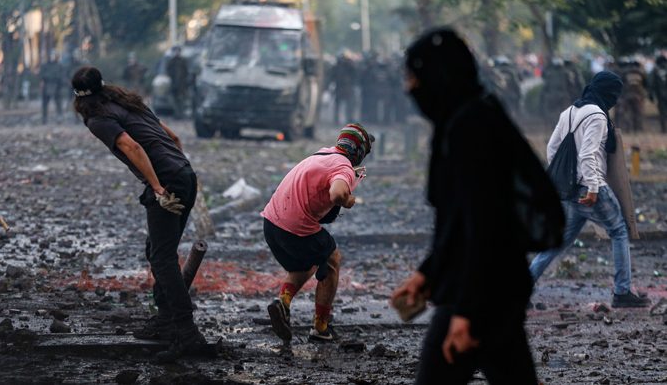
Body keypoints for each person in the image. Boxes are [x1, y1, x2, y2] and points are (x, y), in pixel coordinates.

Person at [392, 28, 539, 384]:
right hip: (491, 286)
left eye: (416, 77)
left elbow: (484, 225)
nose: (409, 88)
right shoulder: (464, 119)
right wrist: (428, 272)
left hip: (480, 292)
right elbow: (458, 218)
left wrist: (466, 312)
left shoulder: (470, 128)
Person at [71, 66, 205, 358]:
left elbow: (130, 146)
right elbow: (174, 139)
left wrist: (158, 188)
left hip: (167, 181)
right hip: (182, 174)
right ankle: (166, 319)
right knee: (157, 250)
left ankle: (187, 333)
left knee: (162, 257)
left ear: (78, 99)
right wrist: (181, 174)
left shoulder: (98, 119)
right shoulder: (128, 102)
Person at [529, 71, 651, 308]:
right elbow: (588, 153)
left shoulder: (570, 111)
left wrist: (568, 179)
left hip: (572, 189)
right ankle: (622, 292)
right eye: (614, 94)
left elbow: (552, 148)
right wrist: (592, 187)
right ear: (609, 93)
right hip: (591, 188)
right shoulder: (596, 115)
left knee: (559, 241)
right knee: (619, 229)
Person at [263, 123, 373, 342]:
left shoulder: (321, 155)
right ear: (359, 152)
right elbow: (337, 194)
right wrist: (348, 200)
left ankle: (283, 303)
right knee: (332, 259)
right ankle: (320, 328)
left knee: (307, 263)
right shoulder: (343, 167)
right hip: (295, 228)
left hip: (271, 224)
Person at [615, 60, 647, 132]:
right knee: (638, 112)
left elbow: (621, 84)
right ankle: (638, 128)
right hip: (638, 95)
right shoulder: (641, 73)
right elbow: (645, 84)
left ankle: (628, 128)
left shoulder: (625, 73)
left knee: (627, 112)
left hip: (627, 95)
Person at [40, 50, 66, 124]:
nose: (52, 57)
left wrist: (61, 84)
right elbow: (41, 76)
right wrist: (42, 82)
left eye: (54, 55)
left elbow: (62, 76)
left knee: (58, 103)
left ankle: (59, 117)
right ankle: (44, 118)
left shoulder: (59, 65)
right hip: (47, 85)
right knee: (45, 103)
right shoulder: (45, 65)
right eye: (51, 55)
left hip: (56, 86)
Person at [166, 46, 189, 117]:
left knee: (181, 99)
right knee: (174, 100)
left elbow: (186, 71)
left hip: (182, 84)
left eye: (178, 51)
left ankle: (181, 114)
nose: (177, 53)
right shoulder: (171, 61)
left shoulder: (183, 60)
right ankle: (176, 114)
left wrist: (185, 80)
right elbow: (168, 70)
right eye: (176, 51)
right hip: (174, 84)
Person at [648, 56, 667, 132]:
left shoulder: (655, 70)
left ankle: (664, 129)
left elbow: (651, 83)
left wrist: (651, 95)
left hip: (661, 95)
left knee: (662, 112)